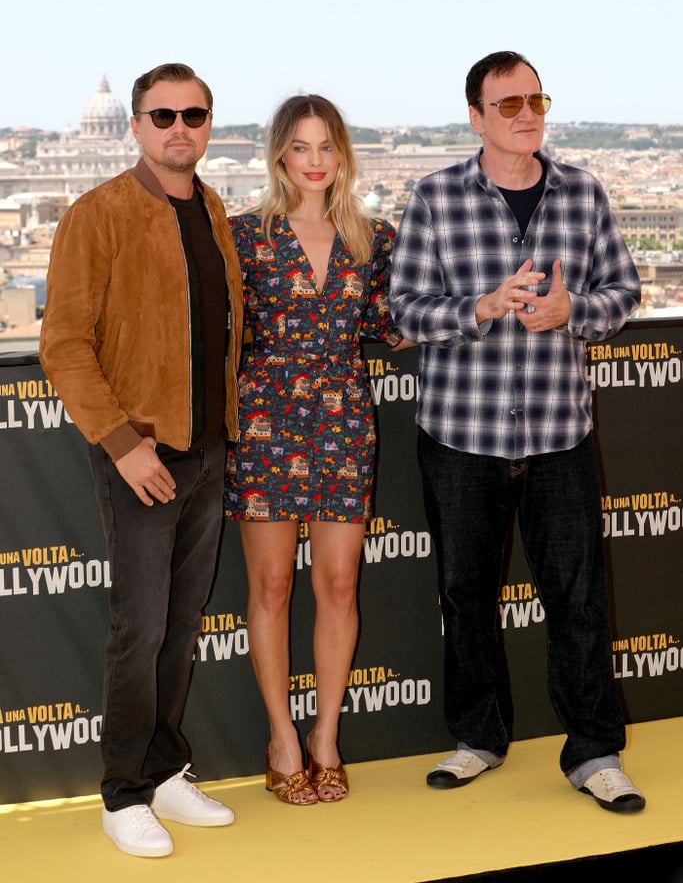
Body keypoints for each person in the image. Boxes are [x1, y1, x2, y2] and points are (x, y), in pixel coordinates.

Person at [389, 51, 646, 813]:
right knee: (465, 596)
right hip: (460, 434)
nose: (526, 112)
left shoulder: (583, 191)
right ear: (475, 117)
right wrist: (480, 307)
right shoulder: (433, 196)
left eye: (534, 98)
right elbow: (405, 310)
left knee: (577, 600)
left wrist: (578, 313)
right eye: (507, 103)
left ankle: (594, 752)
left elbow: (623, 290)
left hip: (558, 434)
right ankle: (477, 739)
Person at [40, 63, 244, 857]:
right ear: (134, 125)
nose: (179, 128)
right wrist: (123, 445)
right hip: (144, 451)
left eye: (194, 114)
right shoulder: (98, 214)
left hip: (207, 449)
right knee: (142, 627)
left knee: (182, 623)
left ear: (207, 123)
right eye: (163, 116)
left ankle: (162, 772)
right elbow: (62, 344)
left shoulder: (213, 207)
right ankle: (122, 791)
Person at [225, 94, 411, 805]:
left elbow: (393, 327)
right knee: (270, 587)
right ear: (279, 154)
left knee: (338, 586)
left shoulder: (374, 238)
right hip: (266, 421)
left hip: (341, 422)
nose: (313, 161)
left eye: (325, 147)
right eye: (300, 147)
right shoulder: (243, 237)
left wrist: (484, 307)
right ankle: (280, 737)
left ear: (344, 156)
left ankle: (325, 736)